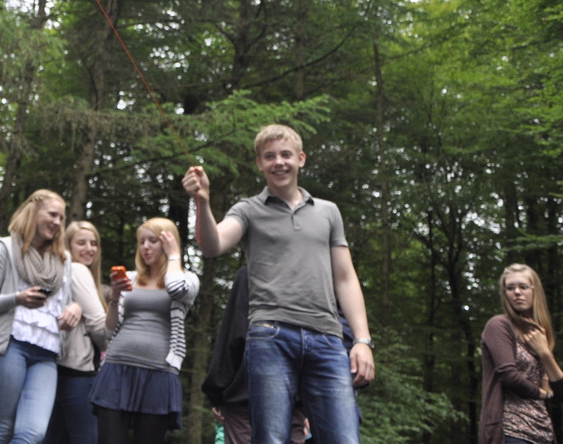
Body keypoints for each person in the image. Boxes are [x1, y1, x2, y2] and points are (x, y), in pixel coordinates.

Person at [182, 124, 374, 444]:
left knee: (344, 438)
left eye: (286, 154)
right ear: (260, 163)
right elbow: (212, 245)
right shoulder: (248, 209)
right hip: (270, 336)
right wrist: (202, 202)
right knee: (271, 438)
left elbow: (345, 278)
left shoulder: (328, 212)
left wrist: (362, 341)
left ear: (301, 159)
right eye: (269, 156)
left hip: (327, 339)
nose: (279, 162)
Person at [0, 189, 79, 444]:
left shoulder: (63, 260)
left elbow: (64, 303)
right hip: (10, 346)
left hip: (47, 353)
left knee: (33, 433)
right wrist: (17, 298)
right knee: (0, 431)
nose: (57, 222)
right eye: (52, 214)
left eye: (61, 218)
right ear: (33, 212)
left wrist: (74, 309)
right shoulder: (5, 248)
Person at [89, 217, 198, 442]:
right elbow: (108, 332)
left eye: (153, 241)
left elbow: (176, 289)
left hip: (159, 373)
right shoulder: (130, 278)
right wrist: (114, 297)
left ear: (168, 243)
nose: (145, 247)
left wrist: (174, 255)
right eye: (141, 242)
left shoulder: (188, 280)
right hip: (117, 368)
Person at [202, 267, 307, 444]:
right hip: (290, 398)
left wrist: (217, 391)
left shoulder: (251, 272)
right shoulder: (308, 274)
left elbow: (235, 331)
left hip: (246, 397)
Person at [479, 263, 563, 444]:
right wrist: (543, 394)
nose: (517, 292)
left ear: (534, 291)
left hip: (543, 434)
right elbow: (509, 376)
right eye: (510, 288)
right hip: (511, 431)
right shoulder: (499, 325)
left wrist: (545, 353)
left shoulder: (539, 334)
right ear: (505, 293)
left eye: (523, 286)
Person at [43, 221, 108, 444]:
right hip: (77, 372)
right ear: (68, 245)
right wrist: (112, 346)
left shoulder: (57, 272)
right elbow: (99, 326)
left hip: (55, 371)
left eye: (94, 243)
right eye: (81, 243)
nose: (89, 249)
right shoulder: (78, 270)